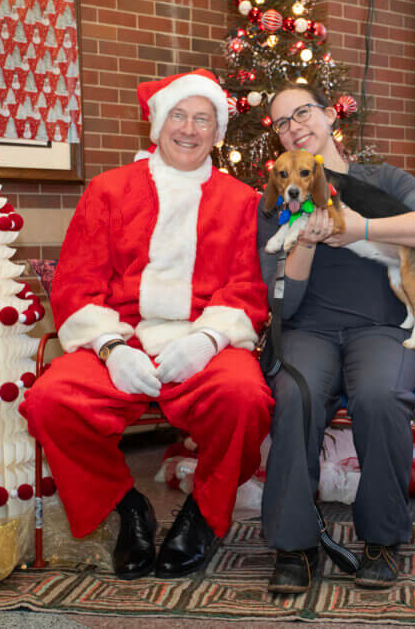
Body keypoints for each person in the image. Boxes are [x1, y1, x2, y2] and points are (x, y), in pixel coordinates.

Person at [21, 69, 272, 581]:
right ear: (157, 124)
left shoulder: (243, 201)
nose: (189, 128)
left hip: (206, 338)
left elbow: (248, 288)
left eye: (203, 119)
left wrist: (209, 339)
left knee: (245, 398)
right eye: (178, 115)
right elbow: (76, 283)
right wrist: (112, 347)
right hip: (123, 336)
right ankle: (126, 508)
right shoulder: (108, 191)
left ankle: (203, 513)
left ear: (217, 133)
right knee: (50, 400)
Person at [257, 83, 415, 592]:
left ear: (329, 116)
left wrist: (363, 228)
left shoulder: (383, 180)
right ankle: (296, 544)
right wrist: (303, 245)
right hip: (310, 330)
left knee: (379, 396)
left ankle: (382, 538)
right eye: (282, 123)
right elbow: (282, 303)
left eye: (302, 112)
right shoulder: (280, 195)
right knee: (294, 396)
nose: (294, 126)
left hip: (381, 328)